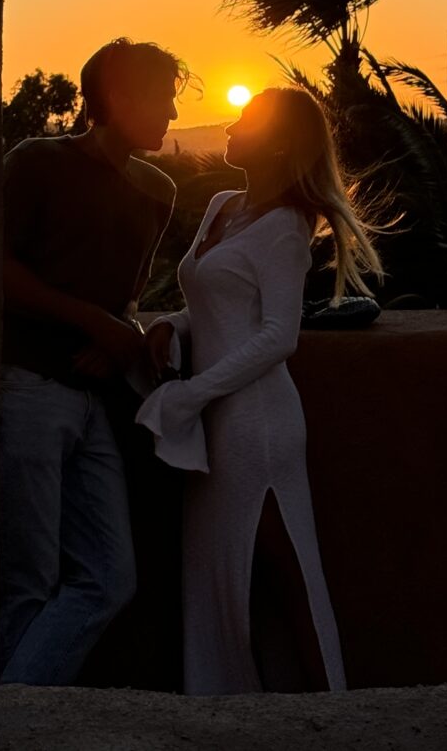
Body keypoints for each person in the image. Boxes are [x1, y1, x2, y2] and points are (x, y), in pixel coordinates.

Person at [136, 86, 382, 694]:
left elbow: (278, 335)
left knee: (282, 568)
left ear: (277, 142)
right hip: (215, 420)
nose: (231, 125)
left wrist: (193, 395)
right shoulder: (223, 204)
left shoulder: (285, 227)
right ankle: (229, 709)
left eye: (246, 120)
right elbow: (219, 309)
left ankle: (335, 714)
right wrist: (174, 322)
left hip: (257, 426)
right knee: (219, 578)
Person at [0, 37, 189, 685]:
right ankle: (7, 731)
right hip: (27, 385)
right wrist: (91, 323)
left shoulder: (156, 191)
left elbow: (126, 299)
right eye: (161, 97)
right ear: (117, 98)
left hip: (96, 399)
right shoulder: (35, 163)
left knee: (110, 578)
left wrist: (122, 338)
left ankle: (9, 714)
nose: (171, 112)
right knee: (27, 579)